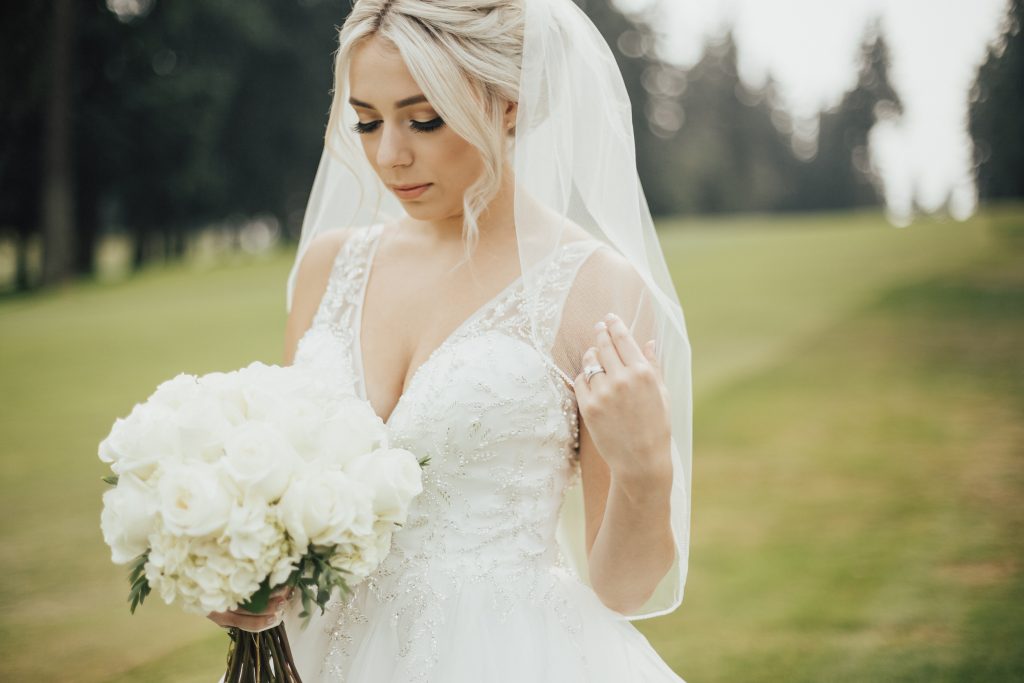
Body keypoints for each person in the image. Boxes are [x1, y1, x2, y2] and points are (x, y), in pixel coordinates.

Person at [209, 0, 693, 680]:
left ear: (510, 103)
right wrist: (249, 572)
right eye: (367, 121)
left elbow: (624, 588)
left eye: (424, 119)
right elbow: (294, 502)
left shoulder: (594, 289)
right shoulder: (328, 267)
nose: (389, 154)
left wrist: (645, 467)